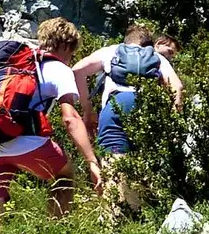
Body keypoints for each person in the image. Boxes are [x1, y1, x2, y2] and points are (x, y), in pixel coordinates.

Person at [0, 17, 104, 234]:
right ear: (65, 46)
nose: (71, 58)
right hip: (26, 142)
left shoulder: (9, 67)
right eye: (72, 52)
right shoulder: (58, 68)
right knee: (64, 175)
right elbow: (70, 118)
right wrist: (91, 160)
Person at [72, 25, 184, 210]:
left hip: (115, 107)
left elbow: (77, 70)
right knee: (142, 168)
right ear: (148, 43)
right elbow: (177, 87)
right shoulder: (157, 57)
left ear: (127, 40)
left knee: (114, 169)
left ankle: (114, 216)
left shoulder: (112, 50)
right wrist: (173, 122)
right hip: (145, 111)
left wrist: (88, 109)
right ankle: (139, 214)